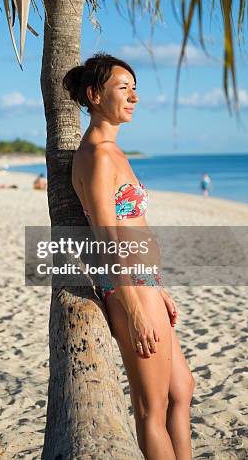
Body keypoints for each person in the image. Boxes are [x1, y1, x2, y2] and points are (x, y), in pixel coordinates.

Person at [63, 53, 194, 460]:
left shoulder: (113, 151)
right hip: (129, 288)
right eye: (124, 88)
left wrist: (158, 287)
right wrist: (134, 306)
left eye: (135, 89)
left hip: (145, 284)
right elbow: (106, 235)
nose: (133, 97)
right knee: (151, 408)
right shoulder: (98, 156)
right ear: (94, 95)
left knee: (181, 390)